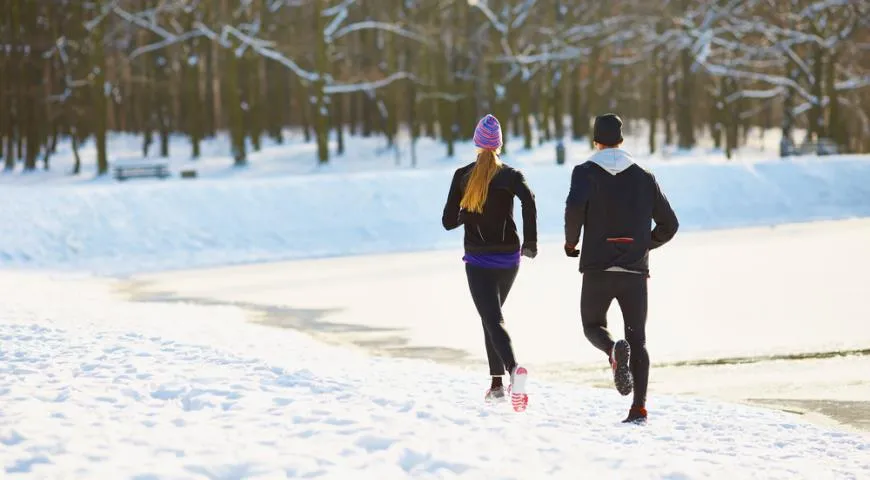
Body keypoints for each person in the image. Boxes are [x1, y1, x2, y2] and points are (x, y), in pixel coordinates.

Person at [563, 113, 679, 424]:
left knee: (592, 325)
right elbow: (670, 224)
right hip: (634, 272)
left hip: (597, 268)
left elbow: (574, 207)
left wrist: (571, 243)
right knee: (638, 340)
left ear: (596, 142)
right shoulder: (644, 176)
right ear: (622, 141)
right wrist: (643, 245)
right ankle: (639, 408)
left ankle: (613, 349)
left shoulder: (585, 172)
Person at [442, 114, 537, 413]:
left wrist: (466, 214)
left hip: (479, 260)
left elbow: (447, 223)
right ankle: (496, 384)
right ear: (498, 145)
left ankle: (513, 371)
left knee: (492, 318)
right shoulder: (511, 175)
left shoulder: (462, 175)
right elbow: (529, 201)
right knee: (491, 316)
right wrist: (530, 242)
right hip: (509, 259)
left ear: (476, 144)